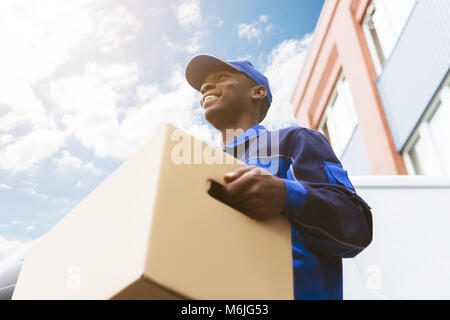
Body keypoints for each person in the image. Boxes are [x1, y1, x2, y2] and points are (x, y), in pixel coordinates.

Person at [185, 54, 373, 300]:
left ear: (258, 91)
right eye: (204, 85)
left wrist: (287, 195)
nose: (206, 86)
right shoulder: (198, 169)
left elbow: (356, 224)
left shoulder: (294, 141)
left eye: (221, 77)